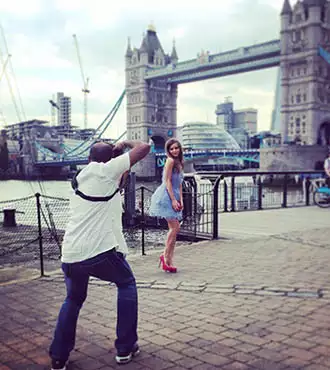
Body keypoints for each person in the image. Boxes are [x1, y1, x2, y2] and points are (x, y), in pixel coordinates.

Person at [49, 140, 150, 370]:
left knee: (73, 299)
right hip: (99, 252)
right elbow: (144, 148)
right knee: (126, 284)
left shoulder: (80, 177)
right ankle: (125, 348)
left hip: (71, 253)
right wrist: (125, 144)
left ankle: (58, 356)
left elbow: (118, 179)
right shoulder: (106, 172)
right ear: (109, 161)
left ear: (88, 158)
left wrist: (114, 156)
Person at [149, 138, 184, 273]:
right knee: (174, 228)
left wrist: (181, 199)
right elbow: (168, 181)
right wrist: (174, 200)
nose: (174, 151)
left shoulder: (179, 163)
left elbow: (179, 184)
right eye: (171, 149)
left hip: (174, 195)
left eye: (176, 148)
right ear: (168, 151)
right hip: (167, 196)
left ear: (180, 149)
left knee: (175, 229)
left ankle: (168, 259)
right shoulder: (170, 161)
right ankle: (165, 257)